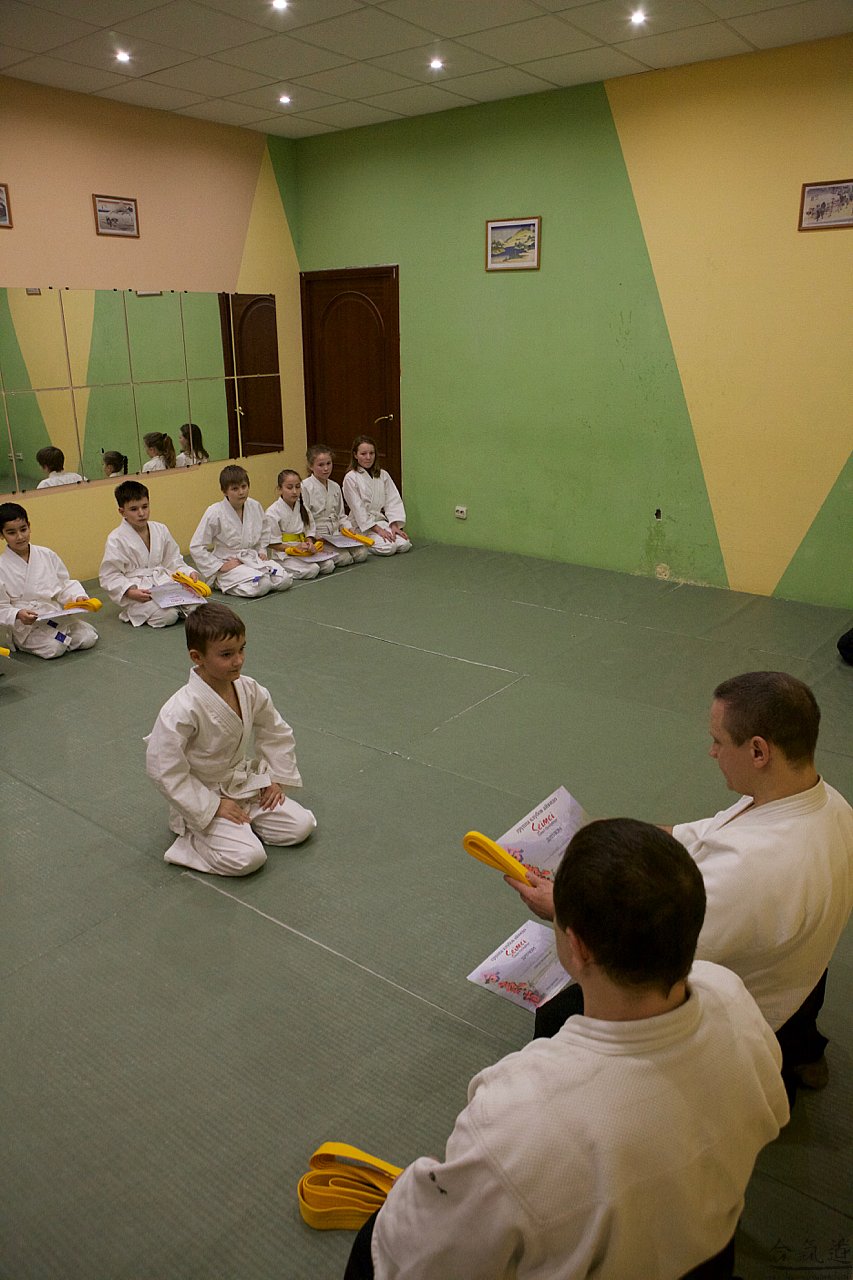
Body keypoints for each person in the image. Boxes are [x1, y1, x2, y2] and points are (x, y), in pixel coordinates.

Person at [344, 820, 788, 1280]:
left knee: (377, 1239)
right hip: (708, 1250)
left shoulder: (517, 1115)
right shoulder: (732, 998)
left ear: (577, 946)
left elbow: (426, 1258)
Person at [509, 672, 853, 1100]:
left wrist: (561, 908)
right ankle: (802, 1049)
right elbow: (707, 833)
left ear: (758, 750)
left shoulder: (750, 872)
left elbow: (650, 957)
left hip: (747, 1010)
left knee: (559, 1016)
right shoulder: (828, 802)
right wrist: (624, 830)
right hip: (798, 966)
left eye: (718, 741)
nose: (712, 751)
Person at [145, 603, 315, 876]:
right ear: (197, 656)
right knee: (249, 858)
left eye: (241, 649)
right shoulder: (181, 709)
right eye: (226, 654)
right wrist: (213, 806)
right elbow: (164, 768)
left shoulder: (249, 689)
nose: (238, 661)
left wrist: (274, 778)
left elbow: (275, 731)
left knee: (301, 825)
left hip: (244, 784)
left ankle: (240, 827)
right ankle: (192, 841)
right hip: (205, 794)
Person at [0, 502, 98, 659]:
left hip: (52, 614)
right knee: (55, 647)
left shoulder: (46, 554)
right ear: (2, 535)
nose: (20, 536)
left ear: (29, 526)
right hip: (25, 624)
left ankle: (62, 637)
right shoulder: (1, 566)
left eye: (23, 529)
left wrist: (77, 597)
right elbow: (2, 606)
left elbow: (64, 584)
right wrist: (18, 614)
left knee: (88, 638)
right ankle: (22, 641)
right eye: (11, 532)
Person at [99, 480, 200, 628]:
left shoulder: (160, 529)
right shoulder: (116, 538)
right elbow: (109, 575)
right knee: (168, 616)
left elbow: (173, 560)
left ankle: (176, 607)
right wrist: (129, 592)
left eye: (145, 507)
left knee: (197, 608)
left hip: (163, 583)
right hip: (140, 590)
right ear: (122, 512)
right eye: (134, 509)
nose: (141, 513)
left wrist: (188, 573)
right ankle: (134, 611)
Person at [190, 464, 292, 598]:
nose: (241, 492)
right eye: (235, 489)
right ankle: (220, 581)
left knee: (285, 580)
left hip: (252, 558)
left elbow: (264, 531)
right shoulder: (215, 512)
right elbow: (196, 546)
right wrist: (219, 566)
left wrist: (261, 551)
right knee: (262, 585)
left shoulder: (254, 506)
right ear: (224, 491)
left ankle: (253, 580)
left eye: (244, 487)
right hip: (229, 562)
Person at [302, 444, 369, 569]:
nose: (326, 468)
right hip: (319, 535)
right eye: (321, 465)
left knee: (362, 553)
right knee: (344, 559)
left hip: (335, 533)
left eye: (329, 463)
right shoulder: (305, 487)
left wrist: (348, 528)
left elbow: (341, 515)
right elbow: (305, 518)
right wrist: (313, 536)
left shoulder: (335, 486)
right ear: (311, 466)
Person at [341, 436, 411, 556]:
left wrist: (394, 526)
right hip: (361, 526)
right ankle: (360, 544)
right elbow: (358, 509)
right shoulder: (350, 478)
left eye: (371, 453)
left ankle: (383, 536)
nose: (368, 457)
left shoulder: (383, 475)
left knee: (404, 544)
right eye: (363, 454)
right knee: (389, 548)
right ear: (355, 455)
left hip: (380, 521)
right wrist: (378, 530)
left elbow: (393, 500)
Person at [266, 469, 330, 581]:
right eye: (289, 487)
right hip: (284, 554)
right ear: (280, 489)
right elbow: (272, 543)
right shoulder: (272, 512)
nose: (295, 491)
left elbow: (309, 531)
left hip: (303, 550)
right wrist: (293, 548)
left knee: (329, 565)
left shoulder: (302, 507)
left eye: (297, 487)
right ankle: (280, 568)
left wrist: (309, 544)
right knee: (313, 570)